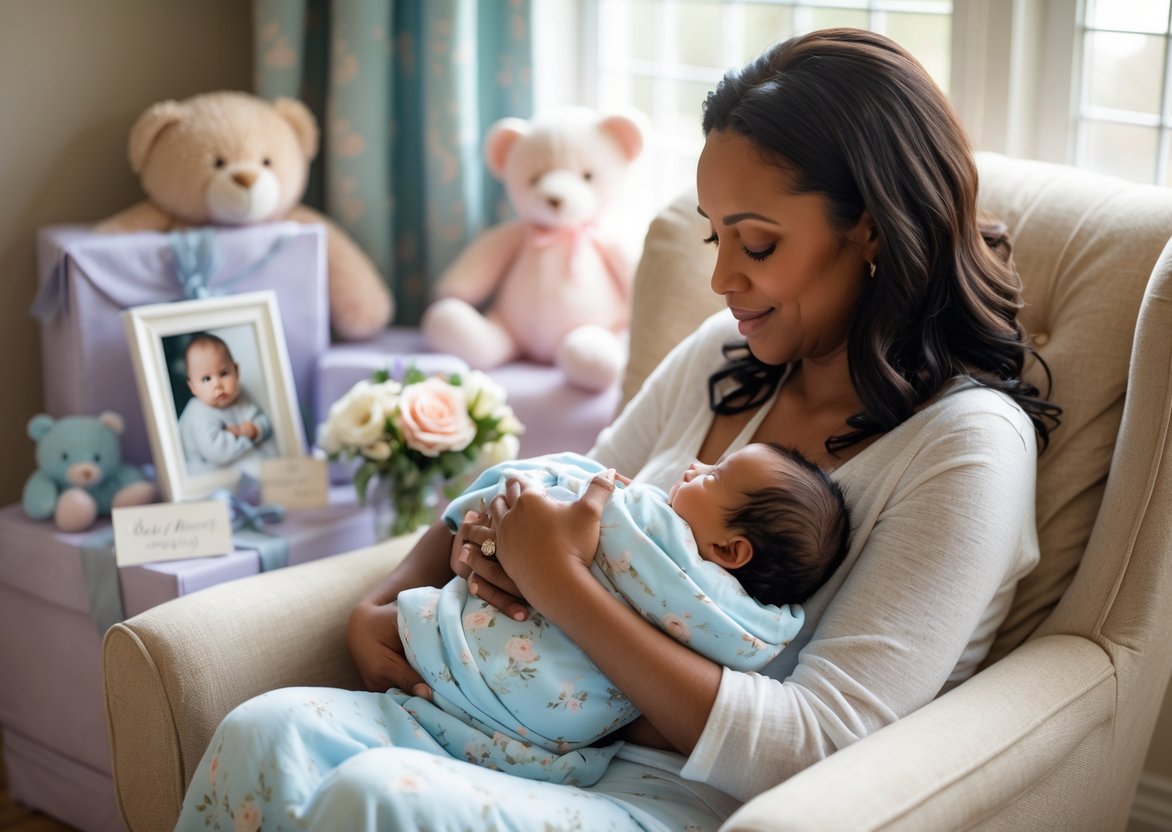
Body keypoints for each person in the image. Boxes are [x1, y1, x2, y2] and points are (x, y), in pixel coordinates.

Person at [176, 27, 1060, 831]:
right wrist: (414, 589)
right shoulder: (730, 357)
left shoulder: (963, 449)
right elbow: (549, 499)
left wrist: (557, 585)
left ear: (869, 225)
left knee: (376, 801)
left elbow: (815, 742)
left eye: (754, 245)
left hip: (689, 794)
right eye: (713, 237)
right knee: (270, 731)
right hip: (524, 726)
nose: (720, 279)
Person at [392, 444, 848, 785]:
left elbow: (557, 485)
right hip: (547, 735)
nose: (696, 467)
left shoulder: (645, 521)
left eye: (713, 477)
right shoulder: (748, 633)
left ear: (731, 549)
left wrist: (524, 512)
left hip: (447, 655)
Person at [177, 332, 275, 476]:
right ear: (193, 387)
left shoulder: (239, 396)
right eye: (206, 379)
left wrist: (254, 429)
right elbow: (218, 453)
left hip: (241, 475)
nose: (217, 385)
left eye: (223, 373)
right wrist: (245, 437)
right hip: (207, 480)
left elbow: (265, 423)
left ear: (236, 371)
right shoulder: (197, 413)